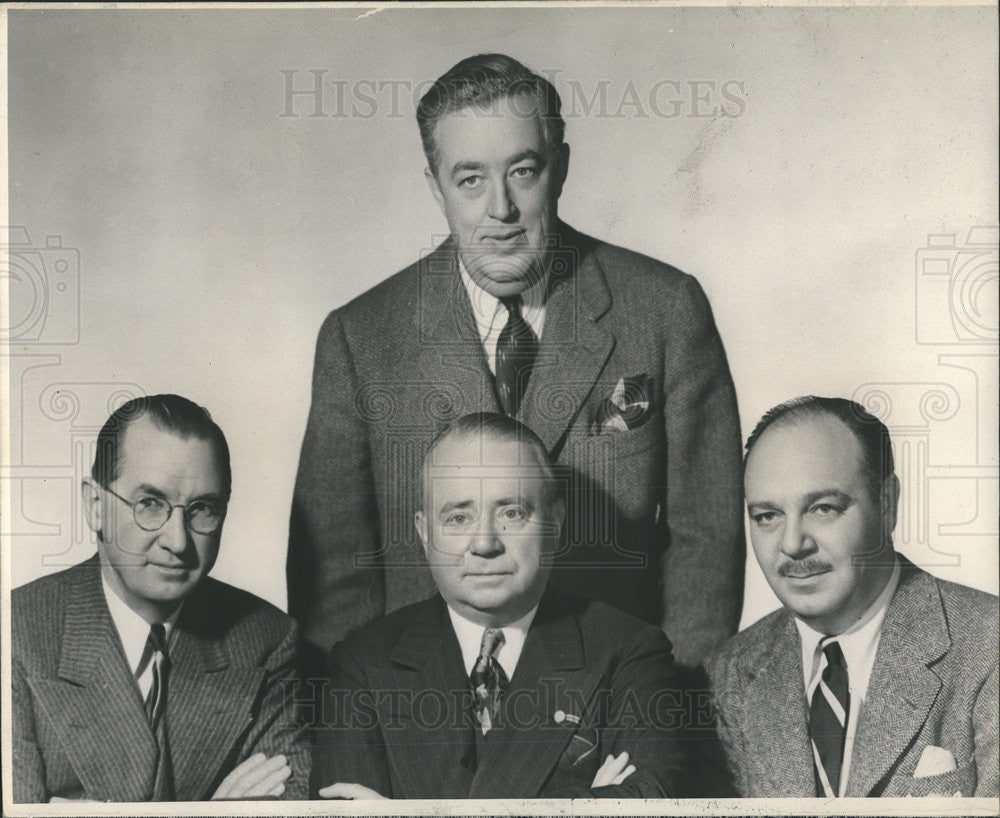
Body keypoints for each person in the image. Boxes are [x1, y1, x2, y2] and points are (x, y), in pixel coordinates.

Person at [289, 53, 744, 674]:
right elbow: (335, 580)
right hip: (423, 730)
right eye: (470, 179)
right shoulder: (360, 338)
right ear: (435, 186)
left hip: (616, 715)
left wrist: (669, 715)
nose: (499, 210)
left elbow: (706, 544)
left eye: (522, 172)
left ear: (559, 169)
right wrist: (361, 739)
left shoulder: (664, 310)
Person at [310, 413, 686, 799]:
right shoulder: (362, 664)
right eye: (458, 517)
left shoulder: (628, 652)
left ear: (555, 523)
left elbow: (652, 802)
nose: (486, 543)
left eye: (511, 513)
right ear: (424, 533)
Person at [11, 394, 309, 802]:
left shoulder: (267, 640)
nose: (178, 541)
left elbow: (288, 806)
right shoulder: (16, 631)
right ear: (95, 506)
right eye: (150, 504)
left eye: (202, 508)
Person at [704, 396, 998, 797]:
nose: (792, 544)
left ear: (888, 504)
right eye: (767, 516)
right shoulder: (727, 675)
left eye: (823, 508)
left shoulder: (989, 646)